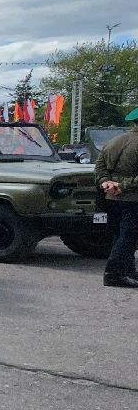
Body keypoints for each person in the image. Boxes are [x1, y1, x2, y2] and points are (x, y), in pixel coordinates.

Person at [94, 108, 138, 288]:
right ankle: (114, 274)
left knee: (119, 236)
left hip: (110, 199)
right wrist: (122, 186)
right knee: (129, 238)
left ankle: (127, 270)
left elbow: (99, 166)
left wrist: (106, 182)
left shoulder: (113, 141)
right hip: (133, 199)